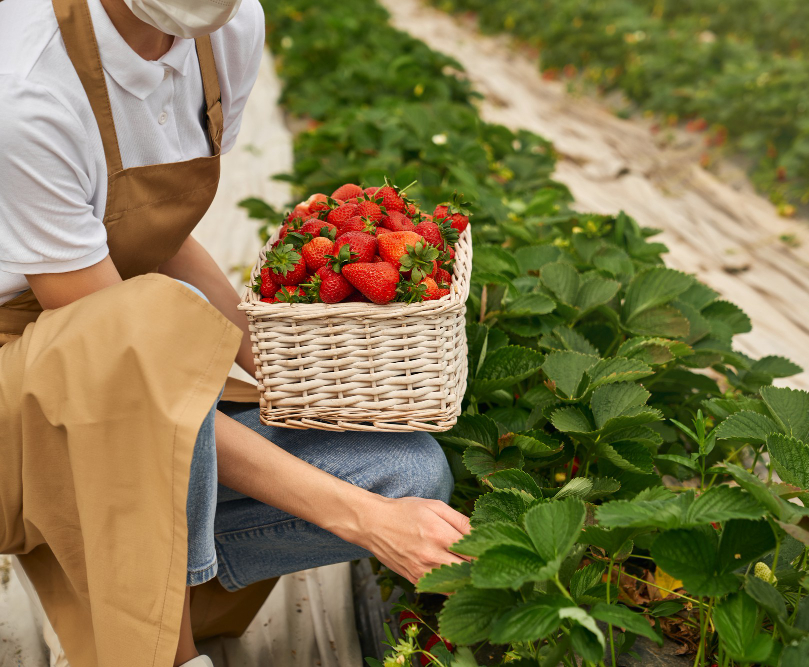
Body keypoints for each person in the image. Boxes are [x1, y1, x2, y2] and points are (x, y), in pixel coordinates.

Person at [0, 0, 471, 665]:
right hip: (20, 401)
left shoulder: (226, 29)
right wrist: (359, 517)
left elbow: (152, 234)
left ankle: (109, 587)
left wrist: (288, 371)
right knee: (158, 322)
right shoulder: (26, 85)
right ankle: (150, 643)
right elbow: (131, 367)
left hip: (129, 354)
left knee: (404, 472)